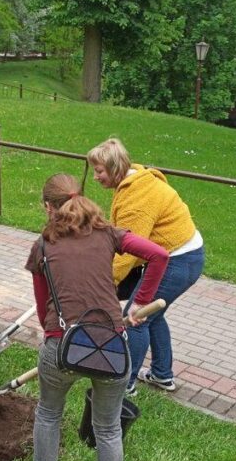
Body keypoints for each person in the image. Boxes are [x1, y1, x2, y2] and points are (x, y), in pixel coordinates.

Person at [23, 174, 168, 461]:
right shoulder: (109, 234)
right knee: (107, 429)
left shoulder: (42, 246)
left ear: (48, 206)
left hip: (62, 347)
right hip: (112, 349)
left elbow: (45, 308)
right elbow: (159, 254)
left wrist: (51, 336)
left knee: (48, 413)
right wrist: (140, 303)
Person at [87, 138, 205, 397]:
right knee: (154, 314)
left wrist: (104, 281)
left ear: (116, 168)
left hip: (179, 259)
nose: (95, 177)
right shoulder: (134, 180)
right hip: (185, 254)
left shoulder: (137, 198)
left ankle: (124, 384)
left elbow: (130, 252)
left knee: (136, 317)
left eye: (99, 171)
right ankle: (162, 375)